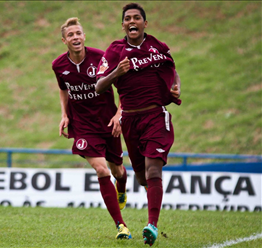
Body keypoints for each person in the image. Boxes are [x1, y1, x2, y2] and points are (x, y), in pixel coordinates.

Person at [95, 3, 182, 246]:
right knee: (143, 178)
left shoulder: (158, 46)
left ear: (145, 23)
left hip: (156, 116)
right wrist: (116, 74)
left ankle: (151, 225)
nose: (132, 21)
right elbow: (99, 86)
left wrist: (176, 88)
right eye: (127, 19)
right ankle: (149, 193)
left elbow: (172, 70)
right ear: (123, 25)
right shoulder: (114, 51)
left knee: (154, 170)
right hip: (130, 121)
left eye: (137, 18)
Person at [52, 17, 132, 240]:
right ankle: (121, 226)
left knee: (118, 171)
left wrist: (119, 114)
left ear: (84, 36)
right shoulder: (58, 65)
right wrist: (64, 114)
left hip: (108, 123)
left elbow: (123, 86)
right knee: (101, 170)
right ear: (64, 40)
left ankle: (122, 187)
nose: (75, 37)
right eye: (70, 35)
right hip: (83, 126)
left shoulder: (101, 58)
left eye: (78, 33)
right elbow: (63, 89)